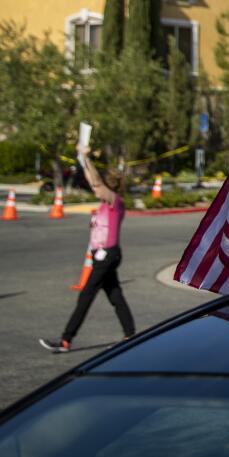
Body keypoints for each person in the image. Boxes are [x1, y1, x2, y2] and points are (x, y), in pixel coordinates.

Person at [39, 145, 136, 353]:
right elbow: (96, 183)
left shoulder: (115, 202)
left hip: (108, 256)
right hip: (102, 256)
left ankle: (66, 340)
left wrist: (85, 158)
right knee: (116, 296)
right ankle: (131, 336)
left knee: (86, 296)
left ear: (111, 185)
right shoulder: (103, 204)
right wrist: (83, 160)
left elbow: (95, 183)